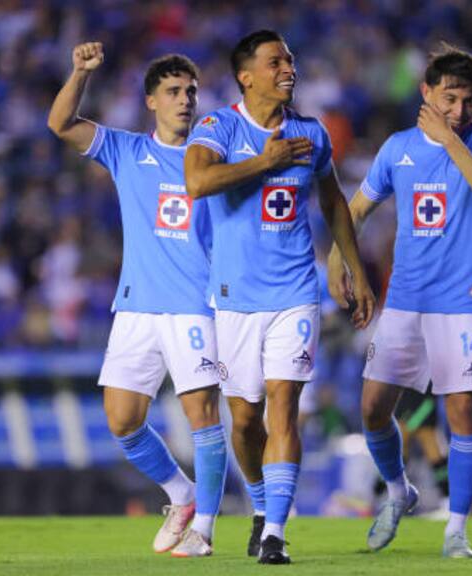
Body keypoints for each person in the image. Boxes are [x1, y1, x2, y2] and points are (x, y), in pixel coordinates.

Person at [185, 29, 374, 564]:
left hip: (295, 292)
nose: (289, 68)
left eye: (290, 59)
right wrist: (264, 163)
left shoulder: (310, 133)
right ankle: (262, 505)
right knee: (245, 420)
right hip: (234, 298)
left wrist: (356, 271)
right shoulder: (219, 127)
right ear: (246, 76)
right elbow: (197, 182)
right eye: (275, 62)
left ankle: (275, 534)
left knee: (284, 408)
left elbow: (333, 203)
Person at [328, 44, 472, 558]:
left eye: (469, 100)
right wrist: (338, 258)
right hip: (406, 300)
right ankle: (398, 490)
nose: (460, 109)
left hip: (463, 302)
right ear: (426, 93)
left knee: (462, 411)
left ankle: (456, 530)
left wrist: (450, 139)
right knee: (372, 409)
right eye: (450, 98)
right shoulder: (398, 149)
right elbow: (356, 209)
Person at [47, 43, 226, 557]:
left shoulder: (215, 158)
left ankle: (204, 527)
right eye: (173, 91)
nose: (185, 100)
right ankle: (181, 495)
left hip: (194, 305)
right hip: (136, 305)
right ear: (151, 101)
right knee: (122, 420)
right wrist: (79, 72)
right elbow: (61, 124)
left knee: (203, 417)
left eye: (190, 91)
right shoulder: (126, 151)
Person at [395, 384, 450, 518]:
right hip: (406, 401)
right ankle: (383, 499)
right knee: (396, 453)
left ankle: (448, 503)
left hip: (424, 401)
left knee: (434, 453)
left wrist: (415, 420)